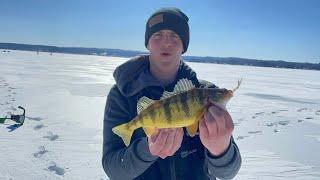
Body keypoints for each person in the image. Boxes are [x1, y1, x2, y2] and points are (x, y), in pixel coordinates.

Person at [102, 7, 241, 180]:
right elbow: (112, 169)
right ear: (148, 43)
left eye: (175, 36)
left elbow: (228, 173)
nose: (166, 42)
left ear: (184, 45)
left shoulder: (206, 91)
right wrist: (148, 149)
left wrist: (221, 148)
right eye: (157, 35)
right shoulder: (121, 95)